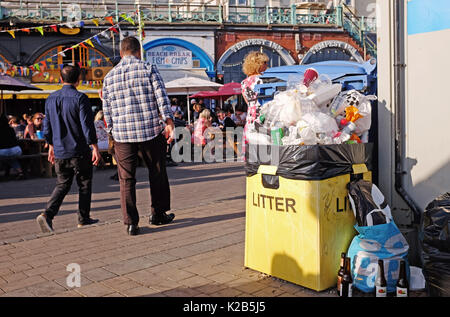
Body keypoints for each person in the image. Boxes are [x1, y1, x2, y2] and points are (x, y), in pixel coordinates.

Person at [102, 36, 175, 236]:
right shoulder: (148, 68)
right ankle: (158, 214)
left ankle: (131, 223)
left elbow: (106, 110)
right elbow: (161, 97)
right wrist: (168, 121)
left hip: (122, 135)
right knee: (157, 171)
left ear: (121, 53)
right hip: (150, 130)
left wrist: (112, 132)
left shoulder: (109, 77)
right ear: (138, 51)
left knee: (126, 179)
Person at [36, 64, 101, 233]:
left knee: (62, 184)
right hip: (78, 150)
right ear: (79, 79)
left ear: (60, 79)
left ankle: (47, 214)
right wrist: (94, 146)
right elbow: (87, 125)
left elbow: (47, 126)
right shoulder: (80, 98)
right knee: (84, 184)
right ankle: (83, 218)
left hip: (59, 150)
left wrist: (50, 146)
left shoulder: (50, 98)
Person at [241, 51, 269, 154]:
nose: (267, 65)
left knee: (252, 147)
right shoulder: (263, 80)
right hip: (263, 115)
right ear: (258, 64)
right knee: (265, 144)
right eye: (265, 62)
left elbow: (247, 102)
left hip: (251, 118)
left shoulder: (244, 83)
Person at [0, 114, 24, 179]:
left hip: (3, 151)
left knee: (6, 156)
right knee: (11, 159)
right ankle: (20, 172)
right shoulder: (11, 129)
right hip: (16, 150)